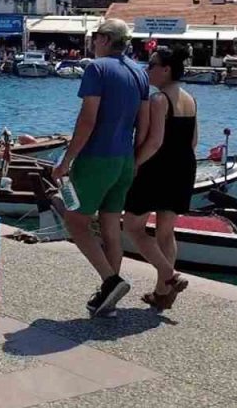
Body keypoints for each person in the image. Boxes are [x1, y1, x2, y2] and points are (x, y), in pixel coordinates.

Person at [52, 18, 150, 317]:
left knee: (75, 221)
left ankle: (111, 281)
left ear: (106, 39)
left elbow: (87, 120)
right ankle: (109, 300)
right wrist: (134, 160)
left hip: (97, 157)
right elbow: (143, 125)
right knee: (110, 226)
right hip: (124, 160)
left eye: (96, 36)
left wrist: (66, 160)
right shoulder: (140, 73)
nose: (93, 42)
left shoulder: (97, 68)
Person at [124, 46, 197, 310]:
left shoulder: (159, 100)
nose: (147, 69)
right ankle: (161, 293)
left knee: (132, 226)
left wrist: (134, 164)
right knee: (166, 232)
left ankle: (170, 276)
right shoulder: (190, 99)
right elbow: (194, 141)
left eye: (152, 64)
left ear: (166, 69)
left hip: (157, 168)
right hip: (184, 167)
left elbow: (154, 142)